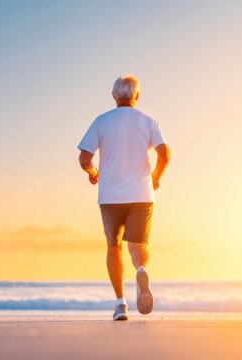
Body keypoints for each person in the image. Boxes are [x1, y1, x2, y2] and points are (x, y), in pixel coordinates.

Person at [77, 74, 170, 321]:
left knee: (113, 245)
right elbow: (164, 153)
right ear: (137, 96)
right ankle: (140, 270)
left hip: (110, 196)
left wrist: (93, 171)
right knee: (139, 245)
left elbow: (84, 159)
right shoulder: (149, 121)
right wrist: (157, 176)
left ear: (113, 96)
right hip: (141, 193)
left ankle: (121, 304)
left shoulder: (101, 121)